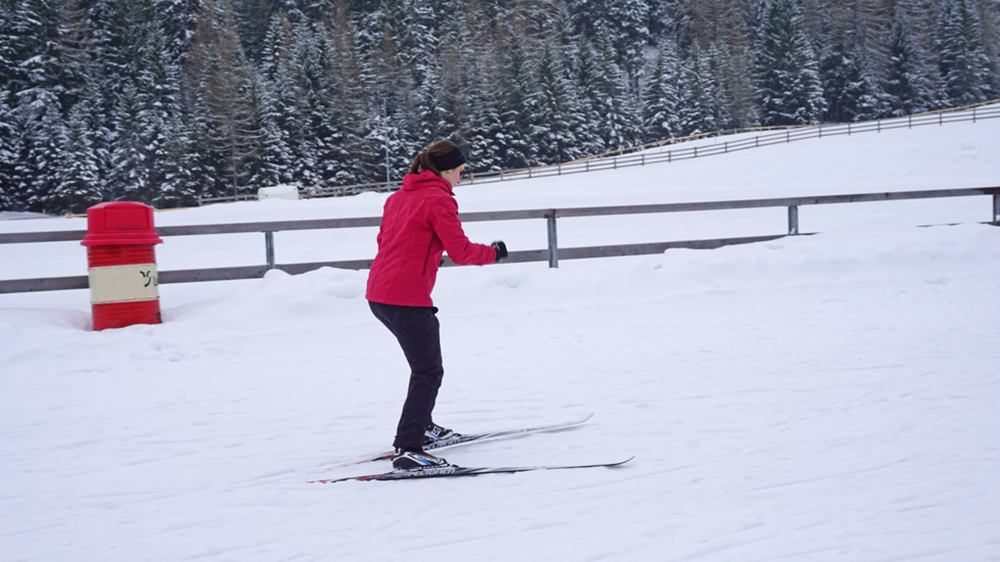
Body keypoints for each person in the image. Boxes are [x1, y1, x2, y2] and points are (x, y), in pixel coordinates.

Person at [366, 140, 508, 471]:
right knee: (427, 371)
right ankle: (409, 447)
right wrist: (493, 253)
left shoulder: (398, 197)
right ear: (445, 171)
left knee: (423, 367)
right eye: (461, 172)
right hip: (406, 299)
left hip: (379, 295)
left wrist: (426, 254)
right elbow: (460, 251)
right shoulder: (439, 199)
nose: (461, 178)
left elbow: (387, 241)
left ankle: (424, 427)